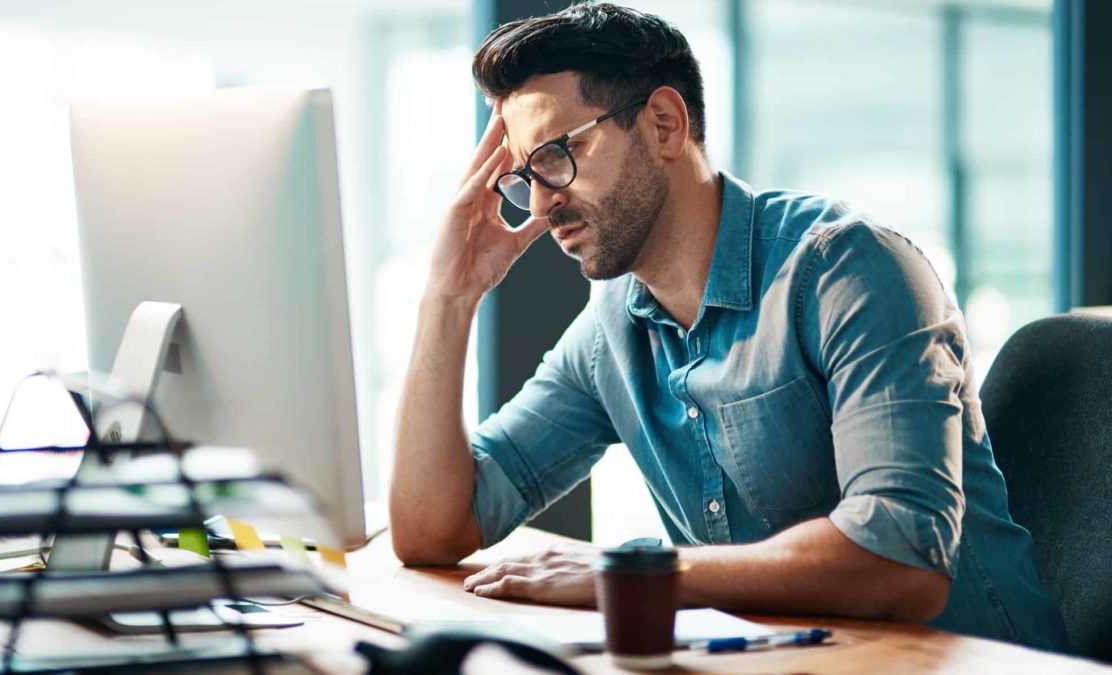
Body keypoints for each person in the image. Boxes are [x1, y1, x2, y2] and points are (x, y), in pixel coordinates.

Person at [388, 2, 1066, 651]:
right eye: (525, 176)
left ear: (663, 124)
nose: (539, 204)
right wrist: (448, 296)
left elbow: (899, 555)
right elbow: (434, 527)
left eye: (558, 156)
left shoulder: (847, 271)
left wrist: (630, 578)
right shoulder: (612, 332)